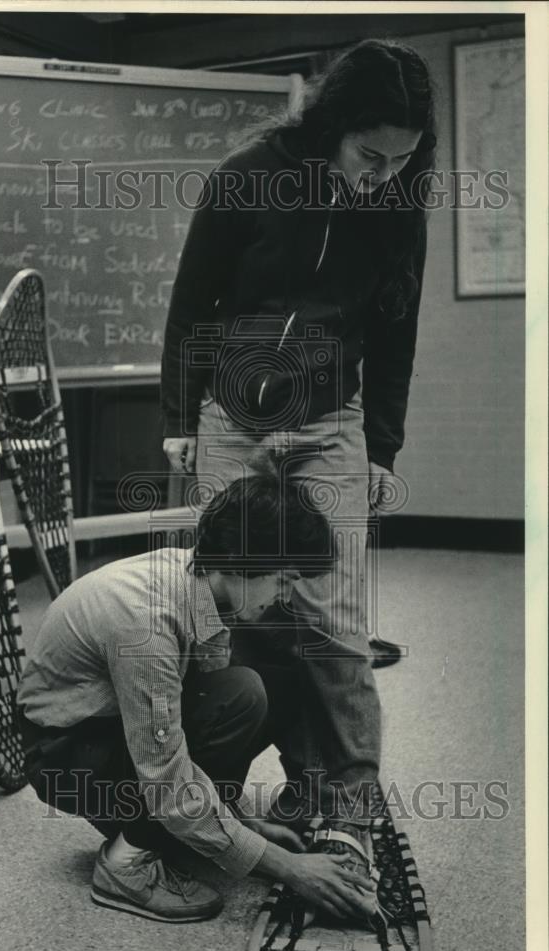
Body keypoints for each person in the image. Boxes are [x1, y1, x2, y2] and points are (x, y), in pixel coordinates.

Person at [160, 40, 436, 860]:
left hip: (331, 421)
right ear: (334, 126)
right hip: (231, 417)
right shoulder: (247, 173)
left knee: (333, 617)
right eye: (370, 154)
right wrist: (180, 416)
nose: (381, 174)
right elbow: (190, 304)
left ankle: (347, 806)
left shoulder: (399, 201)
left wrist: (380, 446)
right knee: (236, 608)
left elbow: (396, 332)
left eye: (401, 160)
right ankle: (218, 796)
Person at [16, 476, 377, 923]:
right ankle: (126, 864)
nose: (286, 595)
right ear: (238, 560)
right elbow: (167, 779)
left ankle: (179, 834)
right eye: (284, 580)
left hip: (110, 728)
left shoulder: (200, 584)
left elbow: (193, 710)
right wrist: (289, 868)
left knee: (249, 690)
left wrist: (244, 829)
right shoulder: (145, 623)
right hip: (63, 754)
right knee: (236, 699)